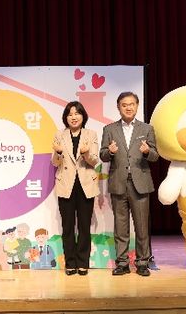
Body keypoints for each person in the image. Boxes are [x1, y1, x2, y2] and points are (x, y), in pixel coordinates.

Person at [100, 91, 159, 277]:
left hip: (140, 182)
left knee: (141, 226)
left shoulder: (146, 129)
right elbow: (102, 155)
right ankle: (122, 263)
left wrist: (147, 151)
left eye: (131, 104)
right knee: (121, 226)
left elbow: (155, 156)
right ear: (118, 107)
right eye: (124, 105)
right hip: (118, 182)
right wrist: (109, 151)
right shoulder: (109, 129)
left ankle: (142, 262)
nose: (128, 107)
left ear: (137, 106)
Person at [51, 101, 100, 276]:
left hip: (85, 185)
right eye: (70, 114)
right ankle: (70, 263)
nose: (73, 117)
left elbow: (94, 160)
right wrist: (58, 152)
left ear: (83, 116)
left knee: (84, 226)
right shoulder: (59, 135)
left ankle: (83, 263)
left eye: (77, 113)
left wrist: (86, 153)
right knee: (68, 227)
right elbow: (54, 163)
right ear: (66, 117)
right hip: (66, 185)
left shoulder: (91, 134)